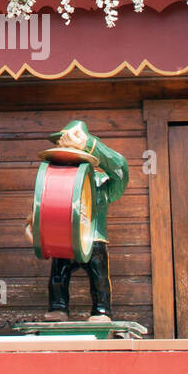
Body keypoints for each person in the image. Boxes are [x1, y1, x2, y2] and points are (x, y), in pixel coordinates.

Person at [31, 119, 129, 321]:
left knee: (99, 277)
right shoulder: (53, 181)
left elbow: (120, 171)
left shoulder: (102, 183)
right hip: (62, 237)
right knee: (58, 276)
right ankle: (58, 308)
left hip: (94, 238)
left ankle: (101, 310)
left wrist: (90, 144)